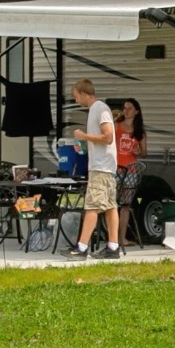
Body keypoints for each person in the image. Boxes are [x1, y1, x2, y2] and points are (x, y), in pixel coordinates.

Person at [68, 77, 120, 259]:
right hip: (104, 166)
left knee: (91, 206)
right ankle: (113, 246)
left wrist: (84, 136)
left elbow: (108, 137)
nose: (76, 101)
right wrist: (83, 145)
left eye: (76, 96)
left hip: (101, 167)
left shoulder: (100, 108)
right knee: (110, 206)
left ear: (84, 94)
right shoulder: (94, 110)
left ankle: (81, 248)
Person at [115, 98, 148, 247]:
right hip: (117, 167)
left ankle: (122, 238)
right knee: (113, 203)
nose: (126, 110)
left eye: (129, 108)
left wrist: (138, 151)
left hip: (131, 170)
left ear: (137, 111)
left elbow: (145, 152)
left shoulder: (139, 130)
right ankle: (113, 237)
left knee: (125, 204)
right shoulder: (117, 126)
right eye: (124, 108)